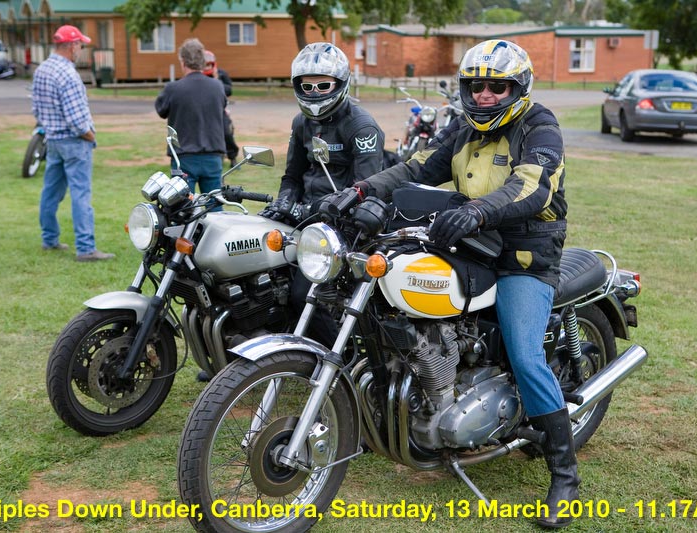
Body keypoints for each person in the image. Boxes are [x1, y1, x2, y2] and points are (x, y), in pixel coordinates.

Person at [325, 40, 576, 528]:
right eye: (476, 86)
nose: (484, 95)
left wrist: (479, 209)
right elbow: (417, 166)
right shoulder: (463, 127)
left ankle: (564, 476)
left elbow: (533, 184)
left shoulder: (539, 125)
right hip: (470, 241)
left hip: (523, 253)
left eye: (497, 87)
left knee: (526, 356)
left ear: (519, 89)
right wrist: (359, 190)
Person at [260, 42, 385, 349]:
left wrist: (314, 210)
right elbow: (292, 175)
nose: (315, 93)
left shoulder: (362, 127)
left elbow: (364, 190)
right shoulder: (301, 122)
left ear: (340, 83)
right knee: (258, 267)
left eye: (323, 85)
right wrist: (284, 202)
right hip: (306, 217)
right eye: (307, 86)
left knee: (301, 293)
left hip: (344, 224)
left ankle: (340, 356)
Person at [32, 25, 114, 261]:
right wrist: (90, 136)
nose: (81, 49)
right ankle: (86, 248)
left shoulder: (42, 69)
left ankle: (49, 239)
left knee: (50, 192)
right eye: (80, 45)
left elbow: (36, 109)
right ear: (71, 45)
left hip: (53, 140)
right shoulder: (68, 74)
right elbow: (77, 119)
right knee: (81, 195)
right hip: (74, 141)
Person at [155, 38, 227, 195]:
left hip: (184, 156)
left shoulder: (173, 88)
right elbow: (223, 106)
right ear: (203, 61)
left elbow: (161, 110)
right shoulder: (217, 86)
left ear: (183, 61)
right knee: (215, 204)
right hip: (213, 154)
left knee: (182, 205)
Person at [202, 50, 240, 166]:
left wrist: (216, 79)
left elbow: (229, 90)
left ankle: (232, 157)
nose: (207, 67)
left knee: (227, 133)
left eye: (209, 64)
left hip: (220, 110)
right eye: (205, 64)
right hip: (203, 111)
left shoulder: (221, 74)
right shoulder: (198, 75)